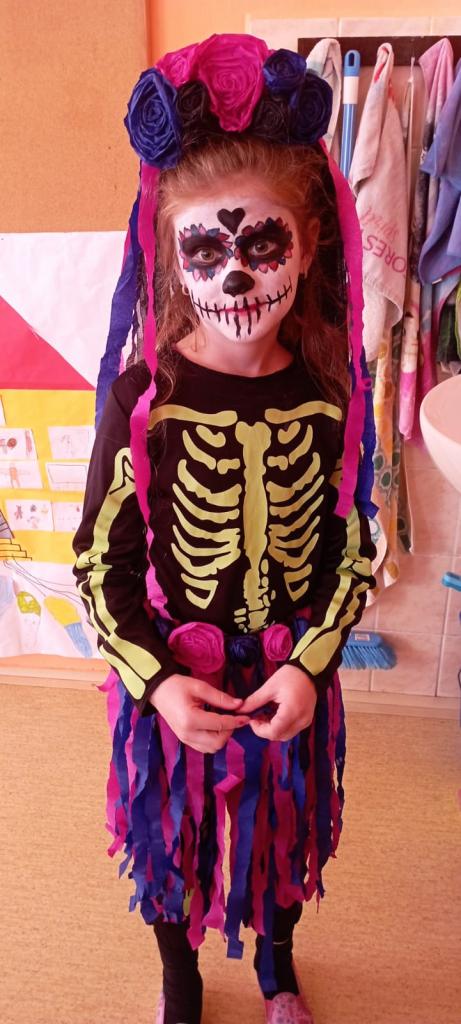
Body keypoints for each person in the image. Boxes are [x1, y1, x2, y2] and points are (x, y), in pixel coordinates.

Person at [72, 33, 377, 1024]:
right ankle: (181, 979)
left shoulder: (331, 395)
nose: (235, 280)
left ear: (310, 244)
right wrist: (155, 682)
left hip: (288, 673)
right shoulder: (141, 403)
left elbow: (353, 548)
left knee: (284, 839)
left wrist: (312, 665)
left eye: (263, 246)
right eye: (205, 251)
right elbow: (97, 565)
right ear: (167, 254)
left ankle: (277, 966)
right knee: (171, 843)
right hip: (174, 674)